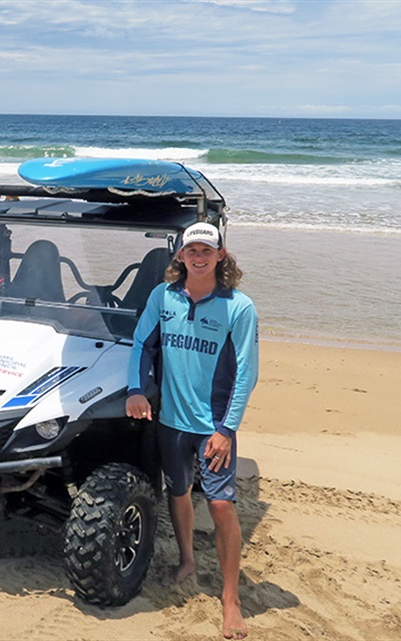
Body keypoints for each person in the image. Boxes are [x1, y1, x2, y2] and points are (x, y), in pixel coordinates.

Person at [125, 222, 258, 640]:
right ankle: (187, 560)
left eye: (207, 250)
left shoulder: (239, 307)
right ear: (180, 256)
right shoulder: (162, 297)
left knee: (220, 505)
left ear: (221, 256)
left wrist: (227, 430)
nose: (198, 257)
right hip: (171, 422)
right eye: (191, 250)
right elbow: (140, 344)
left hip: (213, 427)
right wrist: (136, 391)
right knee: (178, 492)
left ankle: (230, 598)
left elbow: (246, 375)